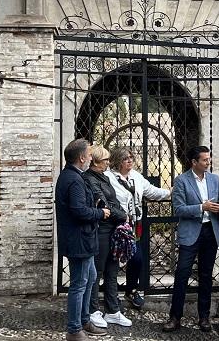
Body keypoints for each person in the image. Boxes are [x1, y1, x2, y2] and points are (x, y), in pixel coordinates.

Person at [162, 145, 219, 333]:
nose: (208, 162)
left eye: (209, 159)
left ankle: (204, 318)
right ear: (194, 162)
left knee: (206, 276)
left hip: (210, 231)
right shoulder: (181, 181)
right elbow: (179, 209)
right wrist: (202, 207)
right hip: (190, 233)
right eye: (205, 160)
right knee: (182, 275)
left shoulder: (215, 179)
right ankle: (175, 318)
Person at [55, 139, 110, 341]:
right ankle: (74, 329)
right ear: (81, 158)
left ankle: (85, 320)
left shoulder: (72, 176)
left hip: (82, 239)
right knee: (79, 284)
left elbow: (78, 204)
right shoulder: (73, 179)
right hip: (79, 240)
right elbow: (78, 211)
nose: (90, 158)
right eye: (88, 154)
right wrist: (99, 212)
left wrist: (92, 203)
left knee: (91, 277)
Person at [106, 146, 171, 310]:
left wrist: (170, 192)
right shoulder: (108, 177)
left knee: (137, 259)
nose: (129, 161)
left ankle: (131, 290)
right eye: (125, 158)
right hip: (115, 225)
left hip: (134, 226)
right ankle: (111, 298)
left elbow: (151, 191)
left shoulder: (136, 176)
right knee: (111, 262)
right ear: (117, 161)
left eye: (131, 158)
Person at [83, 145, 133, 329]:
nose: (108, 163)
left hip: (113, 228)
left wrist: (122, 214)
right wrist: (123, 216)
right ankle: (93, 311)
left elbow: (113, 202)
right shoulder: (89, 179)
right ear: (95, 161)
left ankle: (113, 311)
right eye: (105, 160)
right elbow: (103, 204)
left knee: (112, 271)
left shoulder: (103, 177)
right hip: (101, 230)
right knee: (97, 272)